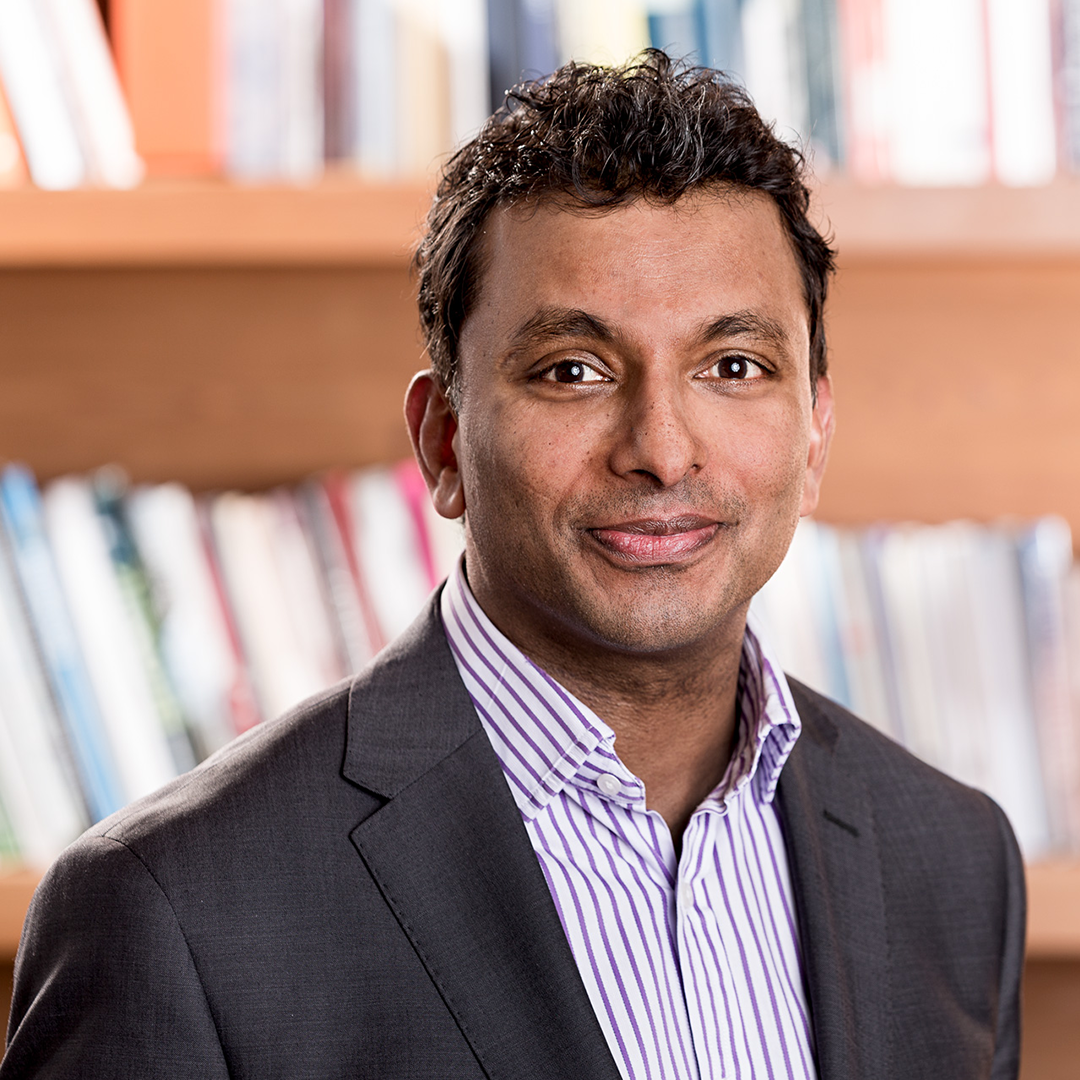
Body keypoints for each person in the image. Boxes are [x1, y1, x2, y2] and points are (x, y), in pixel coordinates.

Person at [2, 53, 1023, 1080]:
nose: (663, 449)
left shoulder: (954, 863)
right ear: (443, 442)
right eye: (572, 371)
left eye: (734, 368)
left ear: (813, 434)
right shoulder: (171, 912)